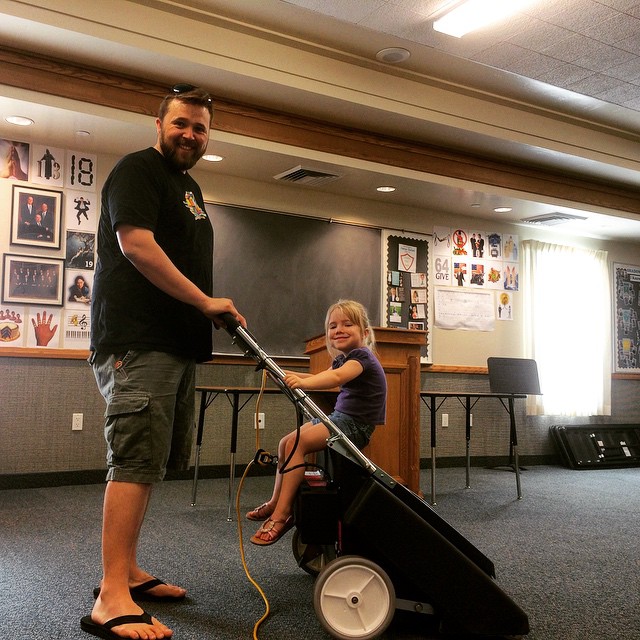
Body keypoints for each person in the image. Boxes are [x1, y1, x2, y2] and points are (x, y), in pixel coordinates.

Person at [82, 84, 246, 640]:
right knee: (132, 460)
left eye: (200, 128)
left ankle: (126, 572)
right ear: (159, 123)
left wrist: (206, 311)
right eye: (181, 124)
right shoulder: (137, 171)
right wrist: (203, 301)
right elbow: (136, 245)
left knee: (149, 461)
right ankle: (111, 597)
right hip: (138, 341)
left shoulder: (189, 188)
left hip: (174, 344)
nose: (191, 135)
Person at [246, 299, 386, 546]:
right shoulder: (344, 358)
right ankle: (275, 502)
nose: (338, 330)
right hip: (340, 419)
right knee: (285, 443)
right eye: (333, 326)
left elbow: (335, 378)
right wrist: (285, 374)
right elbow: (321, 375)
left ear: (364, 333)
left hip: (355, 425)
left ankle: (283, 513)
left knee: (296, 445)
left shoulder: (361, 358)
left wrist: (303, 383)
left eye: (347, 324)